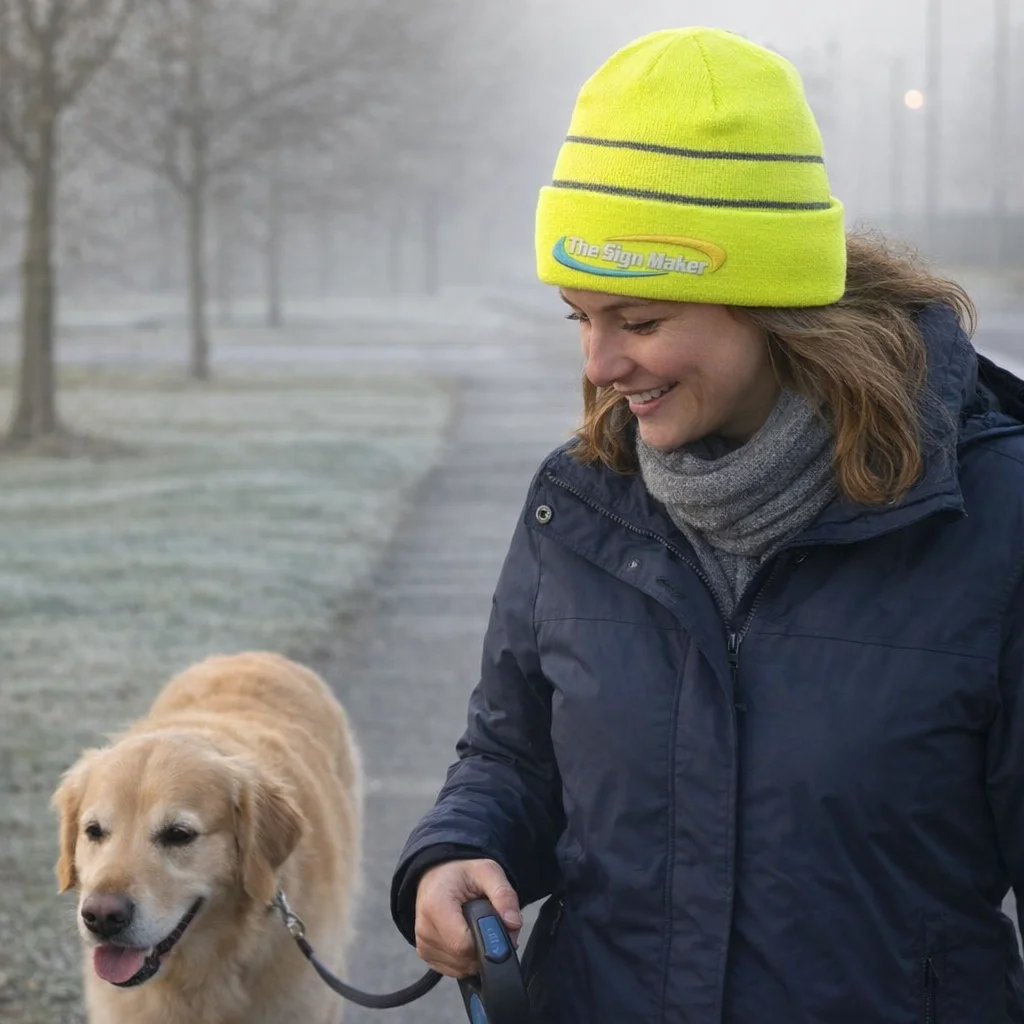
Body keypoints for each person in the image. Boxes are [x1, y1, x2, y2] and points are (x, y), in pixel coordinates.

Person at [390, 26, 1024, 1023]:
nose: (599, 364)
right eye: (579, 317)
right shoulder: (577, 502)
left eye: (637, 321)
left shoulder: (994, 521)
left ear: (769, 302)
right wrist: (455, 851)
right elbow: (511, 758)